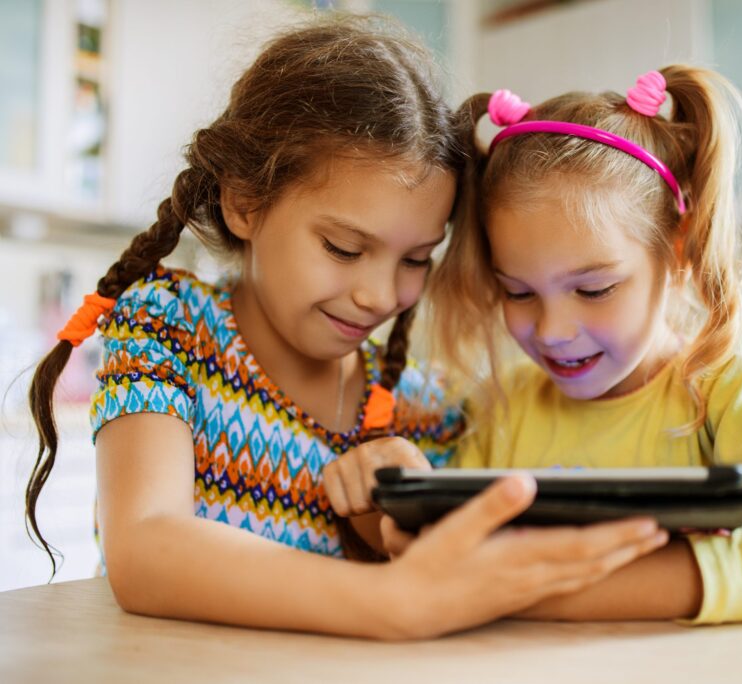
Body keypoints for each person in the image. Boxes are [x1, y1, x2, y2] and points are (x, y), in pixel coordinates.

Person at [23, 16, 668, 641]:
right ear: (244, 202)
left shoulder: (425, 412)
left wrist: (403, 524)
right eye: (342, 247)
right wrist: (393, 601)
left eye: (416, 259)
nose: (379, 294)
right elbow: (147, 549)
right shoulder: (171, 327)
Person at [333, 67, 742, 624]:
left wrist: (543, 590)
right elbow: (442, 562)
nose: (551, 331)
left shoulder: (729, 392)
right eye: (518, 292)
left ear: (676, 253)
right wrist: (384, 495)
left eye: (594, 289)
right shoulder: (508, 407)